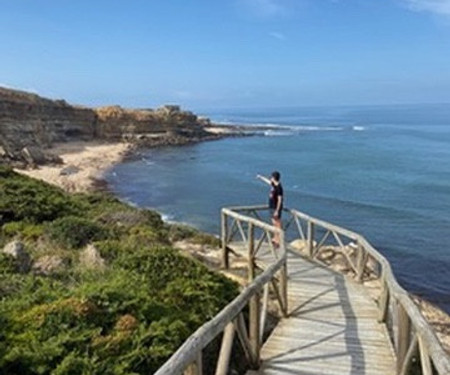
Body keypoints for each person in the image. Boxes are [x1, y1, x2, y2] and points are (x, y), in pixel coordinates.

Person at [256, 171, 283, 247]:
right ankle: (275, 238)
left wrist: (277, 211)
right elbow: (268, 182)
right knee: (274, 223)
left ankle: (278, 240)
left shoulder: (279, 188)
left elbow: (280, 199)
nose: (270, 178)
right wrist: (261, 177)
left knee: (277, 224)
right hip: (271, 207)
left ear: (274, 178)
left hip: (275, 208)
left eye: (271, 177)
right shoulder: (274, 185)